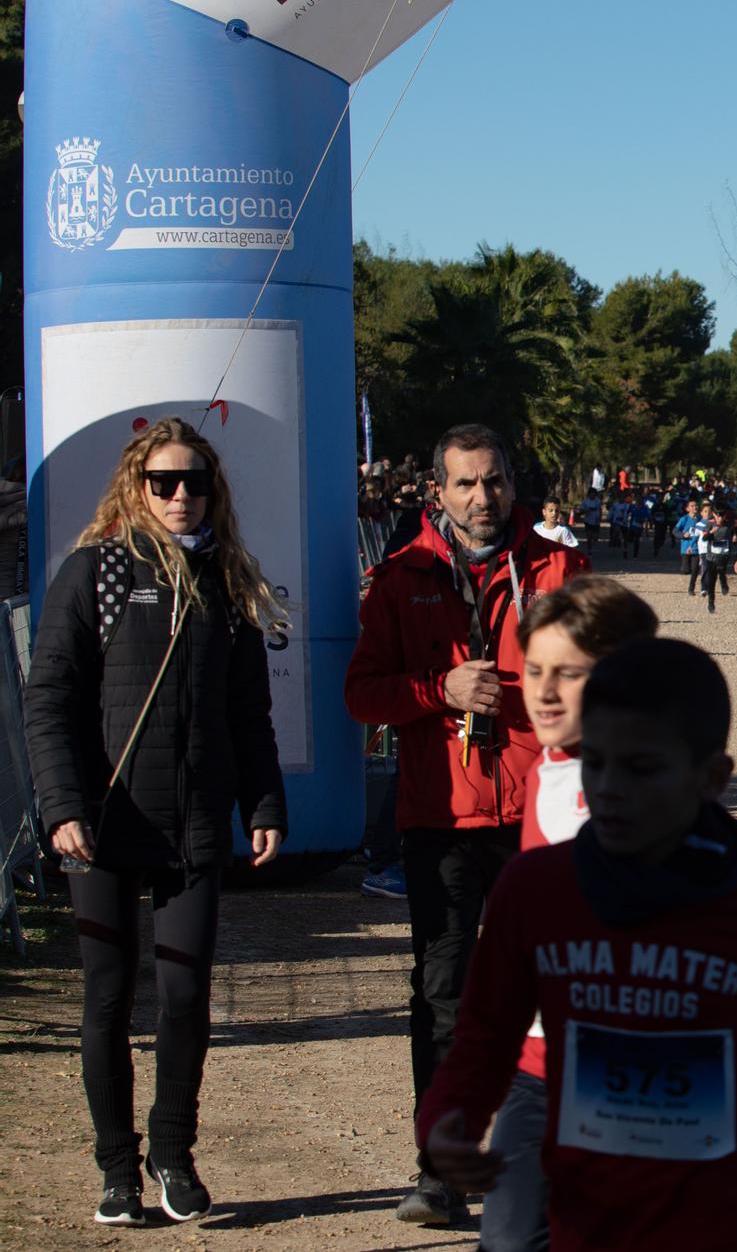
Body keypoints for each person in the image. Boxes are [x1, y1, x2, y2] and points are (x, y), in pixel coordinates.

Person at [415, 640, 737, 1250]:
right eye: (595, 762)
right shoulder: (534, 891)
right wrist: (451, 1118)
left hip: (723, 1210)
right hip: (589, 1201)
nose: (609, 787)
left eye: (643, 767)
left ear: (713, 778)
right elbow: (486, 1030)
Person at [25, 417, 288, 1226]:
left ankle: (173, 1152)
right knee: (108, 994)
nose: (181, 496)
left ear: (215, 490)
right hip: (104, 822)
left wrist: (267, 803)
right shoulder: (95, 571)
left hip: (196, 820)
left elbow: (250, 712)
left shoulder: (228, 579)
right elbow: (50, 698)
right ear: (136, 487)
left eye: (196, 482)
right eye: (164, 482)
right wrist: (63, 804)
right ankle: (116, 1169)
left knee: (185, 994)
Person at [344, 423, 590, 1227]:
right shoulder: (399, 577)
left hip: (544, 816)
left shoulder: (561, 568)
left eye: (494, 481)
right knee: (443, 993)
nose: (482, 498)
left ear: (512, 483)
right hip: (442, 815)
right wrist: (437, 689)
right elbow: (362, 694)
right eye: (465, 485)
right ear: (438, 494)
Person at [478, 577, 659, 1252]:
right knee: (507, 1238)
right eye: (533, 671)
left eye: (570, 674)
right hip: (538, 1065)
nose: (544, 690)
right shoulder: (545, 771)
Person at [674, 499, 703, 596]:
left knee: (695, 570)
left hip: (696, 548)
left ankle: (691, 589)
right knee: (686, 570)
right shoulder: (684, 519)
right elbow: (675, 531)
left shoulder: (700, 519)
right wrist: (683, 535)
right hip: (685, 549)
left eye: (696, 505)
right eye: (692, 506)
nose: (695, 507)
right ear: (687, 509)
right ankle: (685, 569)